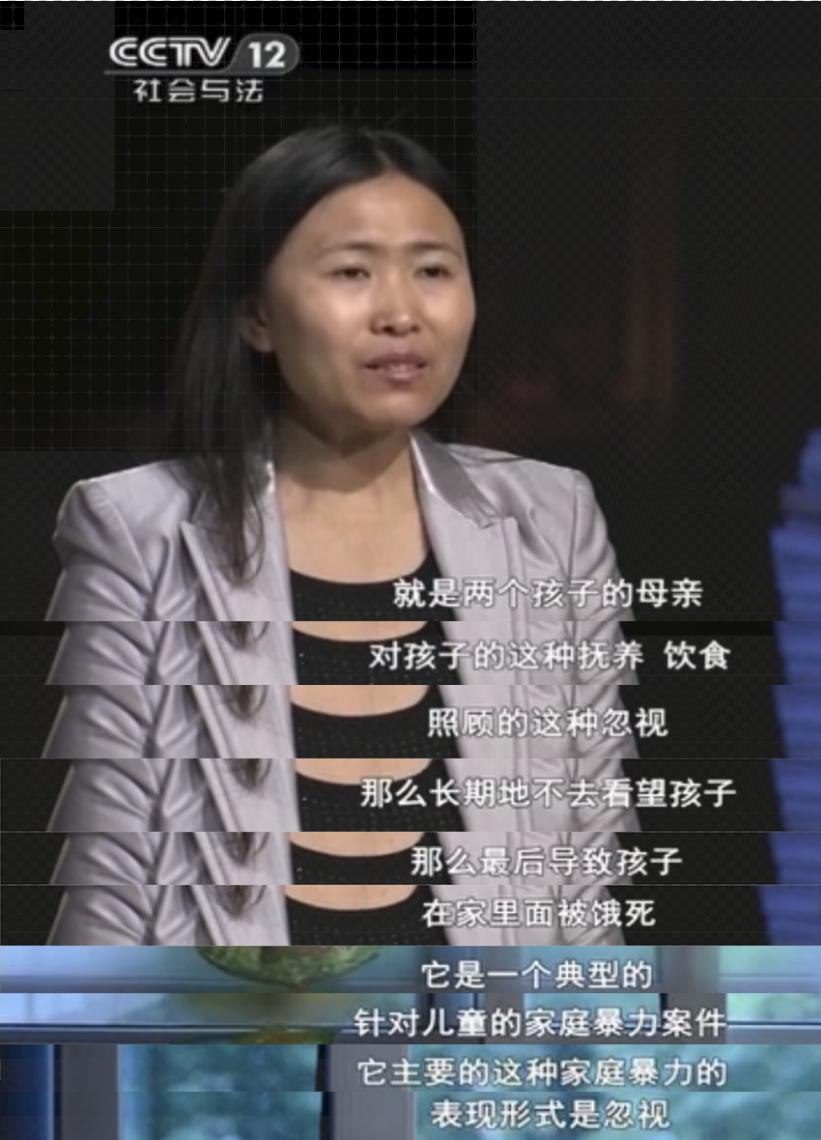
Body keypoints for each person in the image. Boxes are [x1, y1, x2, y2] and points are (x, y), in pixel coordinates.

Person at [41, 121, 641, 947]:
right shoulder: (139, 533)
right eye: (353, 272)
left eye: (433, 270)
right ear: (256, 314)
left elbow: (581, 895)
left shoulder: (548, 520)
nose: (401, 313)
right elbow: (112, 915)